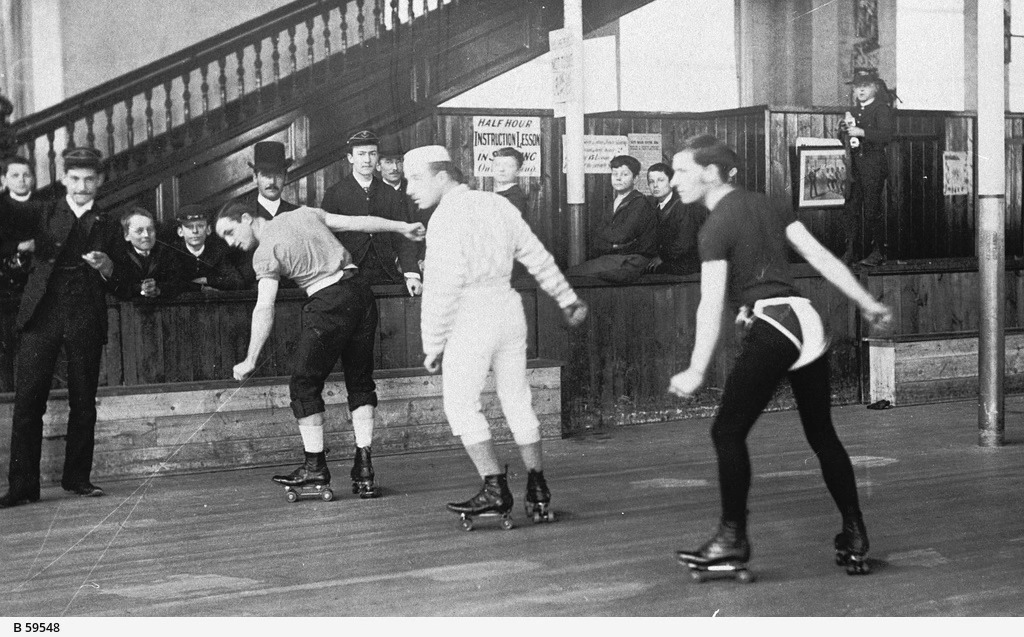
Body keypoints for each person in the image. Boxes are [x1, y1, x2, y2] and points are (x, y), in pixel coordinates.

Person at [666, 135, 893, 576]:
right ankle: (854, 531)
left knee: (727, 432)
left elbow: (709, 302)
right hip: (805, 320)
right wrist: (865, 302)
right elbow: (820, 258)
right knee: (822, 435)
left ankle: (731, 540)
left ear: (710, 173)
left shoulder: (714, 227)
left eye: (680, 170)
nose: (674, 181)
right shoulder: (769, 204)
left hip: (775, 326)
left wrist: (697, 368)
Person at [406, 145, 588, 524]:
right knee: (517, 399)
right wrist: (567, 298)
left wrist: (432, 344)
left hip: (470, 314)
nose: (409, 188)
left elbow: (442, 287)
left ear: (442, 177)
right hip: (508, 308)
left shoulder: (444, 218)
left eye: (415, 178)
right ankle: (537, 488)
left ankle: (494, 488)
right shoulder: (498, 205)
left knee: (460, 404)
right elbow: (536, 255)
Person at [215, 201, 424, 499]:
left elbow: (264, 307)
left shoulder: (264, 253)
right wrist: (402, 227)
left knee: (303, 384)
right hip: (361, 294)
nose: (230, 242)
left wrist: (250, 358)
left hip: (328, 302)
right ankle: (364, 469)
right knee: (360, 381)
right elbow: (359, 221)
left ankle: (315, 467)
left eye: (230, 231)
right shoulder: (304, 213)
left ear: (247, 218)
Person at [1, 147, 122, 507]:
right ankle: (23, 487)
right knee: (27, 403)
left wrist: (107, 266)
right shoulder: (42, 212)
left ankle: (78, 479)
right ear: (63, 180)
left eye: (89, 179)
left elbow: (125, 281)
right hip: (42, 317)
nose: (82, 186)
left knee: (83, 402)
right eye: (75, 179)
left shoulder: (110, 224)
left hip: (85, 316)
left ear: (99, 181)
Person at [320, 130, 422, 296]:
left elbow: (404, 238)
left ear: (377, 158)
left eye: (372, 154)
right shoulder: (335, 193)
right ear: (350, 158)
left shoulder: (389, 193)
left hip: (386, 275)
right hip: (348, 277)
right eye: (361, 154)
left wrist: (411, 275)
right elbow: (326, 238)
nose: (367, 160)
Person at [566, 155, 658, 284]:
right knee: (572, 273)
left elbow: (621, 235)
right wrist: (612, 241)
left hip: (633, 261)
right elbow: (599, 236)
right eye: (614, 174)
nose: (618, 178)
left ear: (636, 179)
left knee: (573, 275)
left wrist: (609, 238)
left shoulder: (639, 203)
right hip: (617, 258)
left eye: (625, 174)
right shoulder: (613, 203)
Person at [840, 68, 893, 267]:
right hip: (855, 167)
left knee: (872, 210)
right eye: (857, 87)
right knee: (851, 209)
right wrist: (843, 131)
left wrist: (861, 131)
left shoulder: (881, 108)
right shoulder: (853, 111)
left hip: (873, 166)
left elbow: (886, 136)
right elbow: (846, 138)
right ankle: (851, 252)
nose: (861, 90)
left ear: (874, 88)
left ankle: (879, 251)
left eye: (865, 86)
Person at [643, 162, 708, 276]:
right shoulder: (654, 205)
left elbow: (684, 242)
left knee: (645, 271)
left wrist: (662, 257)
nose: (655, 185)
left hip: (686, 263)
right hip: (669, 259)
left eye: (661, 180)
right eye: (651, 182)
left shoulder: (684, 205)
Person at [109, 206, 186, 300]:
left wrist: (158, 289)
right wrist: (140, 288)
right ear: (127, 235)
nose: (146, 235)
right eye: (139, 231)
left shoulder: (167, 253)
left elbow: (179, 283)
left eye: (150, 230)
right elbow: (116, 287)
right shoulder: (118, 256)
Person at [171, 204, 246, 292]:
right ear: (180, 232)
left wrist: (207, 280)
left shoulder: (217, 252)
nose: (195, 231)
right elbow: (170, 283)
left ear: (208, 230)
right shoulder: (173, 253)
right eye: (189, 227)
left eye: (200, 226)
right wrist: (201, 288)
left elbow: (237, 282)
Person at [1, 156, 40, 297]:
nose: (21, 180)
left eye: (26, 175)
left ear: (33, 179)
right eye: (15, 175)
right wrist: (18, 246)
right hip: (8, 275)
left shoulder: (46, 205)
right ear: (3, 180)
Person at [248, 141, 300, 221]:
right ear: (255, 177)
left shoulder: (297, 214)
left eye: (278, 175)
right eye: (266, 175)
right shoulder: (245, 215)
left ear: (285, 177)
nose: (272, 181)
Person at [491, 147, 529, 216]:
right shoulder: (497, 194)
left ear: (518, 171)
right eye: (497, 165)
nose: (501, 169)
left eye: (508, 165)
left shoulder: (515, 198)